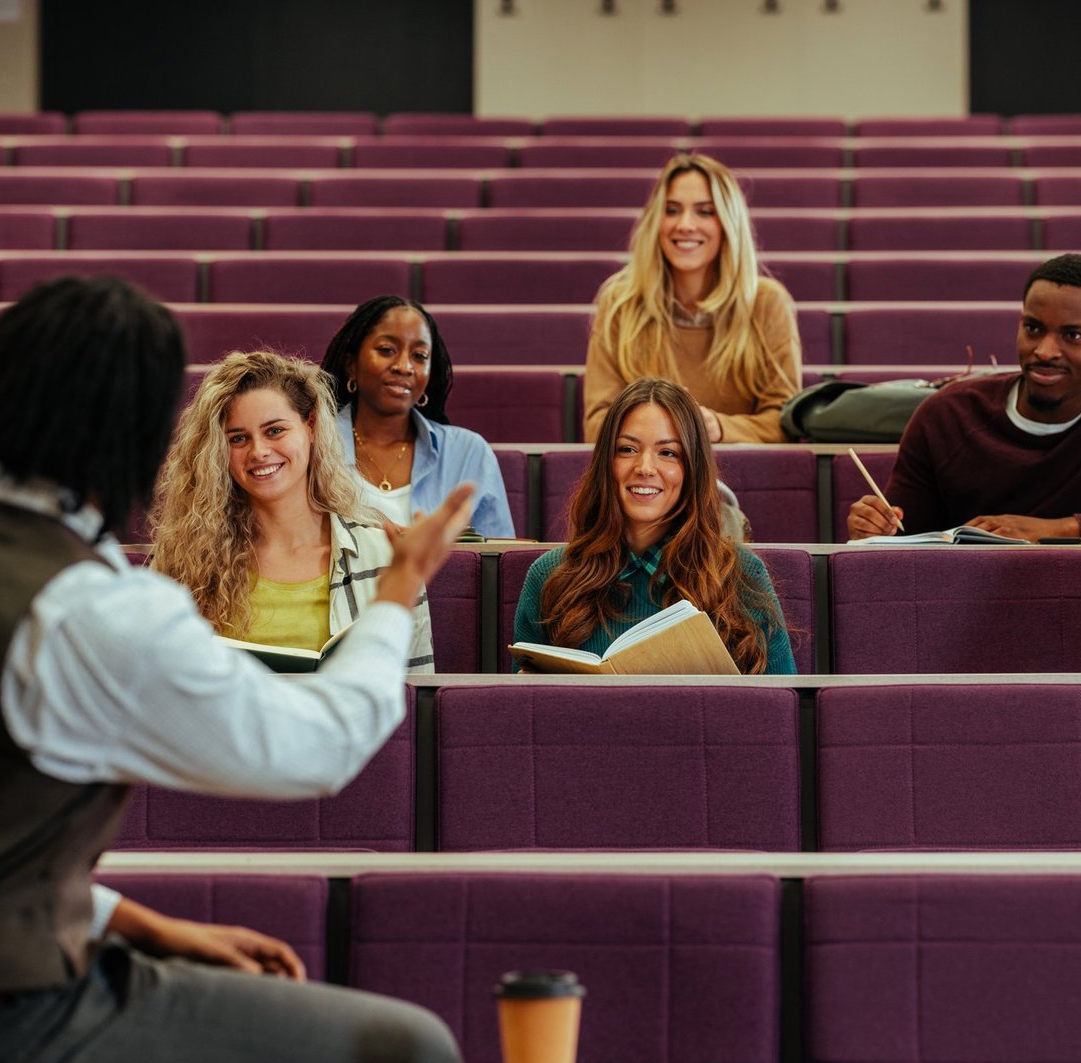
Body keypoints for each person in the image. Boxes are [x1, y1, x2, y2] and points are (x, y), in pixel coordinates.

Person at [0, 276, 470, 1063]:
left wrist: (138, 924)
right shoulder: (92, 607)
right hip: (0, 1029)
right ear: (133, 432)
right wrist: (398, 589)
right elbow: (320, 748)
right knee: (408, 1052)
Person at [845, 253, 1081, 543]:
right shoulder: (947, 416)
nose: (1045, 350)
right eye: (1033, 328)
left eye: (1072, 335)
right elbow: (903, 537)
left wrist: (1055, 529)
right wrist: (875, 529)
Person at [150, 350, 434, 671]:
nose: (258, 451)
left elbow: (413, 694)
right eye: (238, 438)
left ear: (310, 426)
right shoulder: (184, 558)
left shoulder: (383, 551)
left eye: (275, 431)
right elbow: (153, 684)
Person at [513, 378, 795, 674]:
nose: (645, 468)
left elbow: (781, 707)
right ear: (605, 463)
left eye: (668, 453)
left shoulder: (743, 574)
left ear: (692, 469)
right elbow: (524, 711)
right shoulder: (549, 576)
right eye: (627, 449)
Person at [583, 153, 802, 445]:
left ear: (727, 223)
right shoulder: (620, 303)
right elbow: (597, 424)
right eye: (672, 210)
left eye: (705, 211)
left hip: (743, 480)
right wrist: (670, 428)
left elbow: (784, 422)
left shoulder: (768, 303)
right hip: (647, 478)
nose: (685, 224)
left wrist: (716, 428)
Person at [320, 295, 514, 537]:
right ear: (351, 365)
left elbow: (498, 561)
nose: (404, 366)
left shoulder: (468, 453)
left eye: (419, 356)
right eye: (386, 350)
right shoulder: (315, 444)